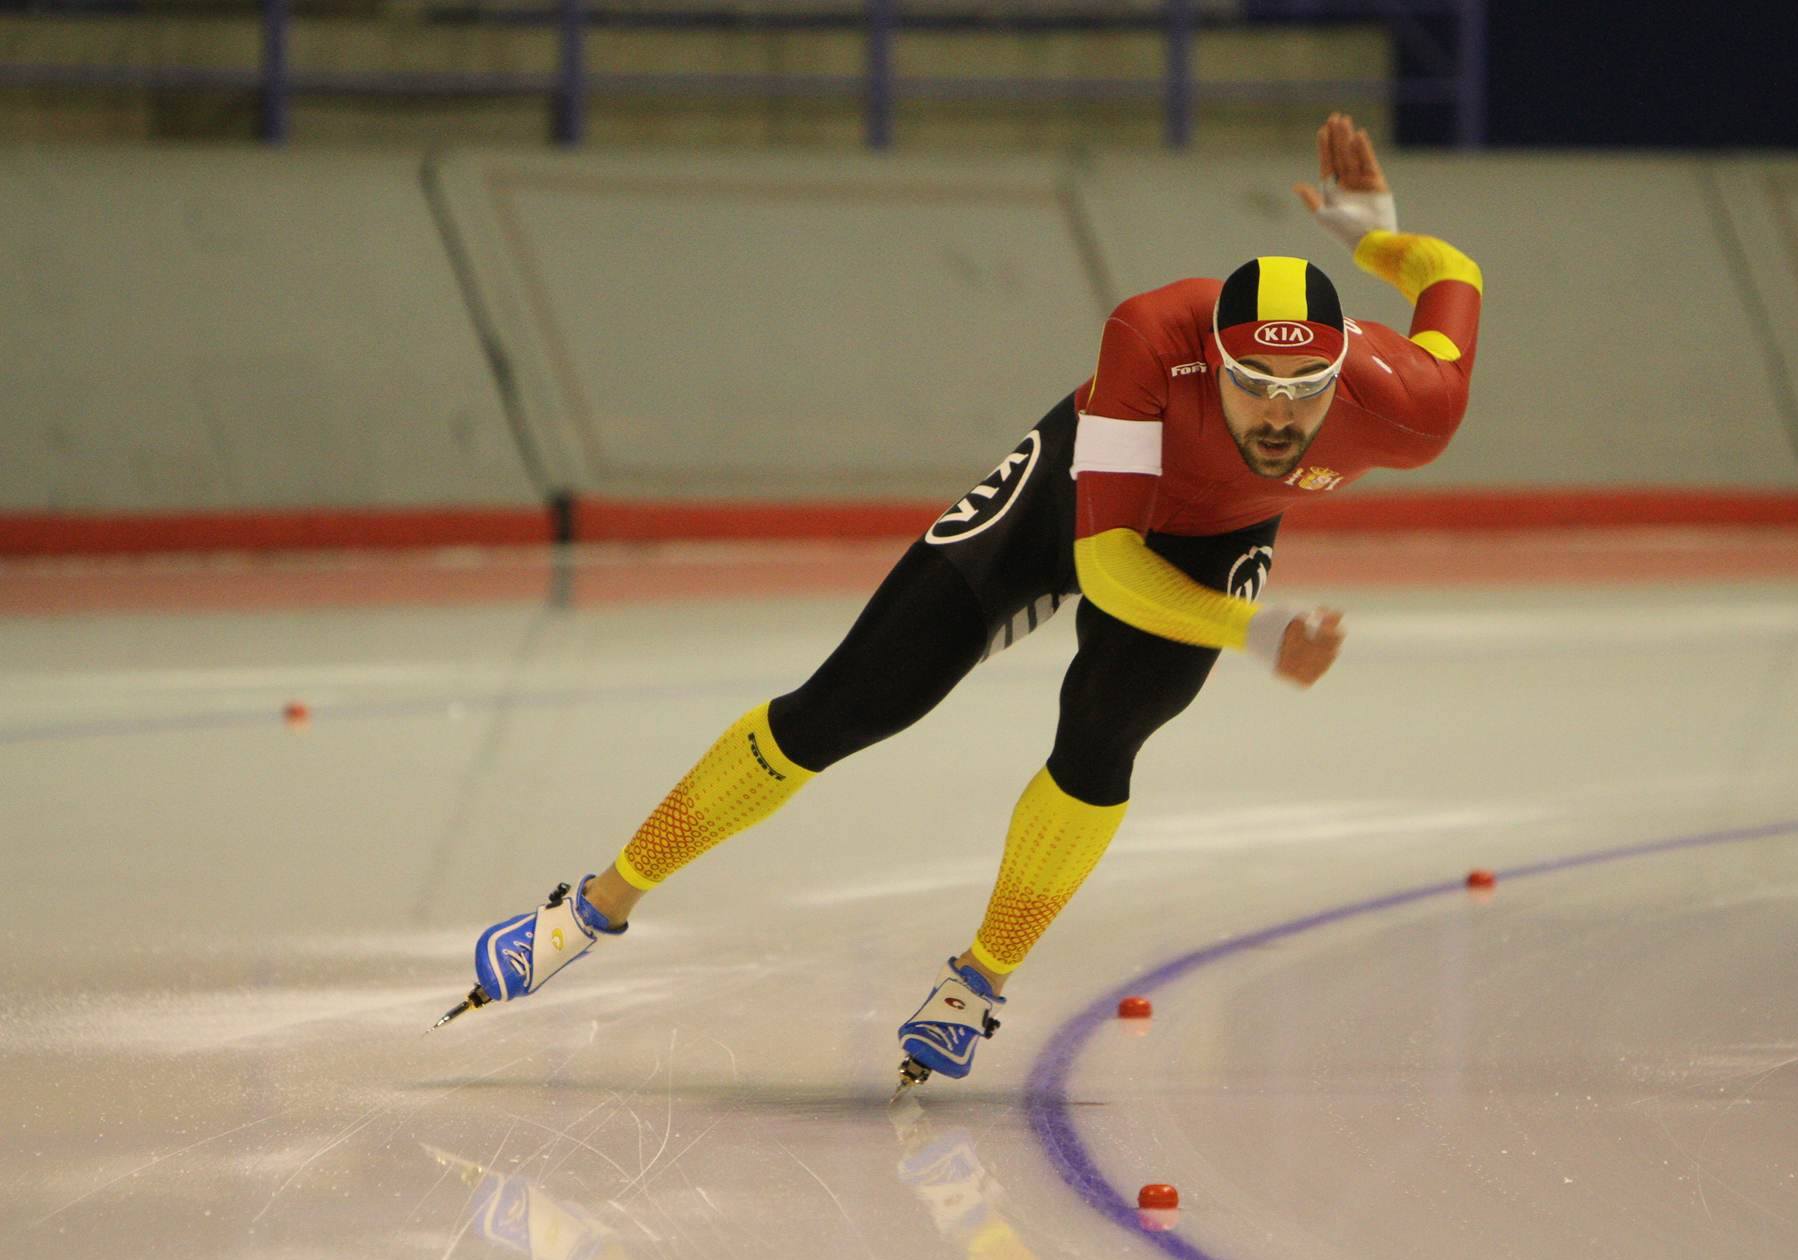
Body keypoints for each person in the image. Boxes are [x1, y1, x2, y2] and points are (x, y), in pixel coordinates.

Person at [441, 112, 1484, 1094]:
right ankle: (589, 909)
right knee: (846, 704)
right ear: (1209, 358)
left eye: (1302, 393)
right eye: (1251, 383)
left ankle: (976, 981)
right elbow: (1112, 568)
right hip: (1078, 489)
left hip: (1215, 536)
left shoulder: (1410, 406)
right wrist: (1256, 633)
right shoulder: (1150, 333)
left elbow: (1454, 276)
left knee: (1101, 740)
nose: (1276, 412)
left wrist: (1380, 243)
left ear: (1343, 374)